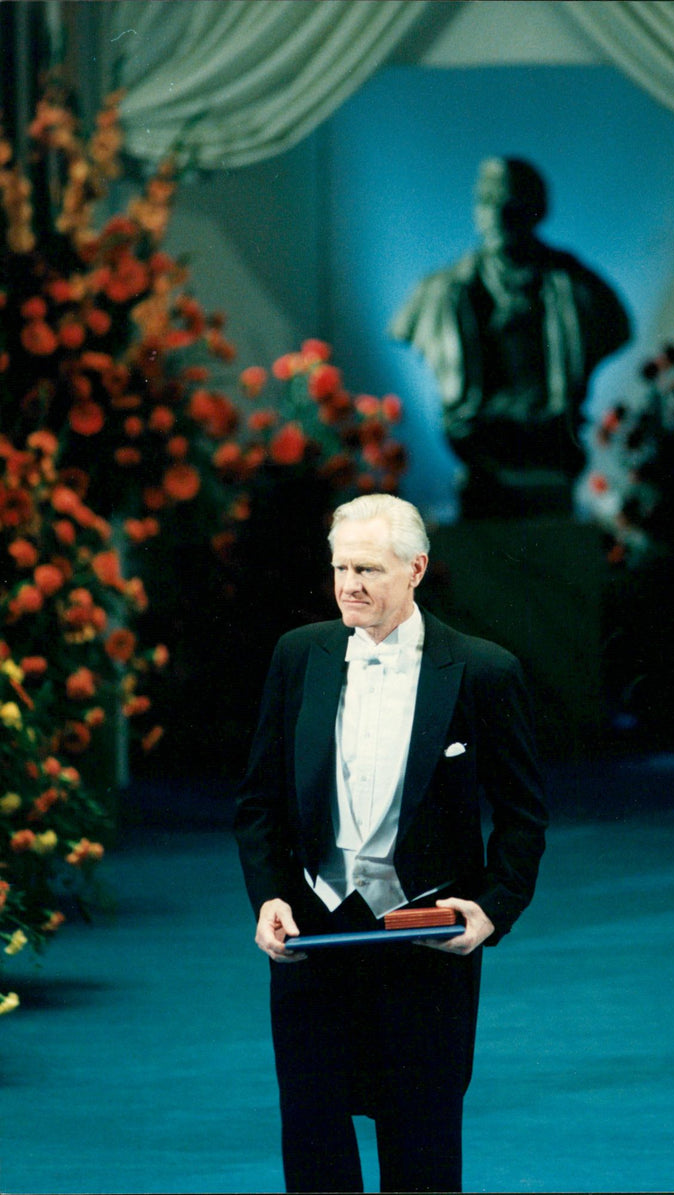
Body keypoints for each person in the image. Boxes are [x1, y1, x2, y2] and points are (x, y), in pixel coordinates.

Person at [234, 492, 548, 1193]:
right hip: (314, 937)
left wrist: (492, 908)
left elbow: (525, 816)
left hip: (424, 942)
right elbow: (257, 803)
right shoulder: (298, 656)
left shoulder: (483, 670)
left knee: (422, 1147)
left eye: (370, 569)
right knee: (312, 1140)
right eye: (342, 566)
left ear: (416, 569)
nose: (350, 584)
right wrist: (270, 898)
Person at [391, 156, 631, 516]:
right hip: (482, 440)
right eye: (486, 199)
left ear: (538, 209)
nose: (498, 211)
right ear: (476, 210)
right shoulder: (438, 292)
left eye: (511, 200)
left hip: (552, 440)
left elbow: (618, 329)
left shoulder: (581, 289)